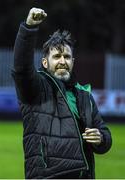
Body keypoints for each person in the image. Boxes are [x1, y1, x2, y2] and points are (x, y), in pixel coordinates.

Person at [12, 7, 112, 179]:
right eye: (56, 56)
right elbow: (21, 69)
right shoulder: (36, 88)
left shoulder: (84, 95)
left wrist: (101, 138)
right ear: (45, 62)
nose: (62, 61)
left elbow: (103, 132)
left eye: (66, 57)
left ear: (73, 62)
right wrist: (28, 28)